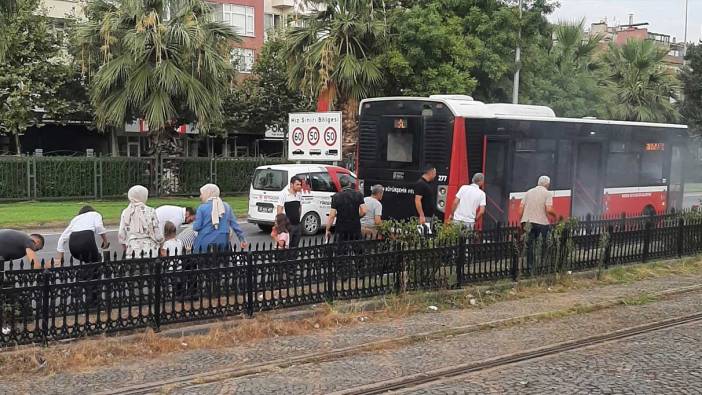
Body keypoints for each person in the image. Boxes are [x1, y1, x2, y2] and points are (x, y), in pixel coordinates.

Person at [193, 184, 248, 252]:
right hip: (223, 242)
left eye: (201, 194)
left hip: (204, 242)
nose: (200, 196)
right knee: (222, 261)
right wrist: (242, 239)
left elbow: (196, 227)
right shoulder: (227, 207)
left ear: (208, 193)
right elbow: (235, 225)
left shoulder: (202, 208)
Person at [519, 176, 558, 271]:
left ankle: (530, 267)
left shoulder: (528, 192)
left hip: (527, 222)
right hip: (541, 223)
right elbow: (549, 209)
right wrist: (556, 215)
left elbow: (520, 209)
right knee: (544, 243)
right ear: (547, 184)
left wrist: (522, 221)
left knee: (529, 245)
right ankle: (542, 265)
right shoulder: (547, 193)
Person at [118, 185, 163, 258]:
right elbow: (158, 234)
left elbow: (121, 234)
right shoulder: (151, 211)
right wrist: (161, 244)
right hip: (150, 250)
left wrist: (125, 247)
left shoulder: (125, 212)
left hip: (132, 249)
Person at [326, 175, 367, 242]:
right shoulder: (358, 195)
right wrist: (357, 217)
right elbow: (364, 211)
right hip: (355, 226)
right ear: (350, 183)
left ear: (340, 185)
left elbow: (332, 215)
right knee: (357, 248)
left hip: (341, 227)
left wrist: (327, 229)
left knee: (341, 250)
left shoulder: (336, 197)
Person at [277, 175, 303, 248]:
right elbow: (279, 210)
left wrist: (298, 221)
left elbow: (300, 208)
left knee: (295, 247)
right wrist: (281, 226)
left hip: (297, 225)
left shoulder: (299, 194)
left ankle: (293, 258)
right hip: (287, 226)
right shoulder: (284, 194)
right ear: (291, 184)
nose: (299, 186)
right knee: (286, 247)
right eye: (297, 184)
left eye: (300, 184)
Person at [414, 164, 437, 233]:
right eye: (435, 173)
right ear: (430, 172)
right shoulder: (420, 184)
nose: (435, 175)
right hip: (424, 216)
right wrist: (421, 215)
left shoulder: (428, 183)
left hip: (429, 215)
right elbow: (417, 200)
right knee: (423, 236)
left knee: (427, 235)